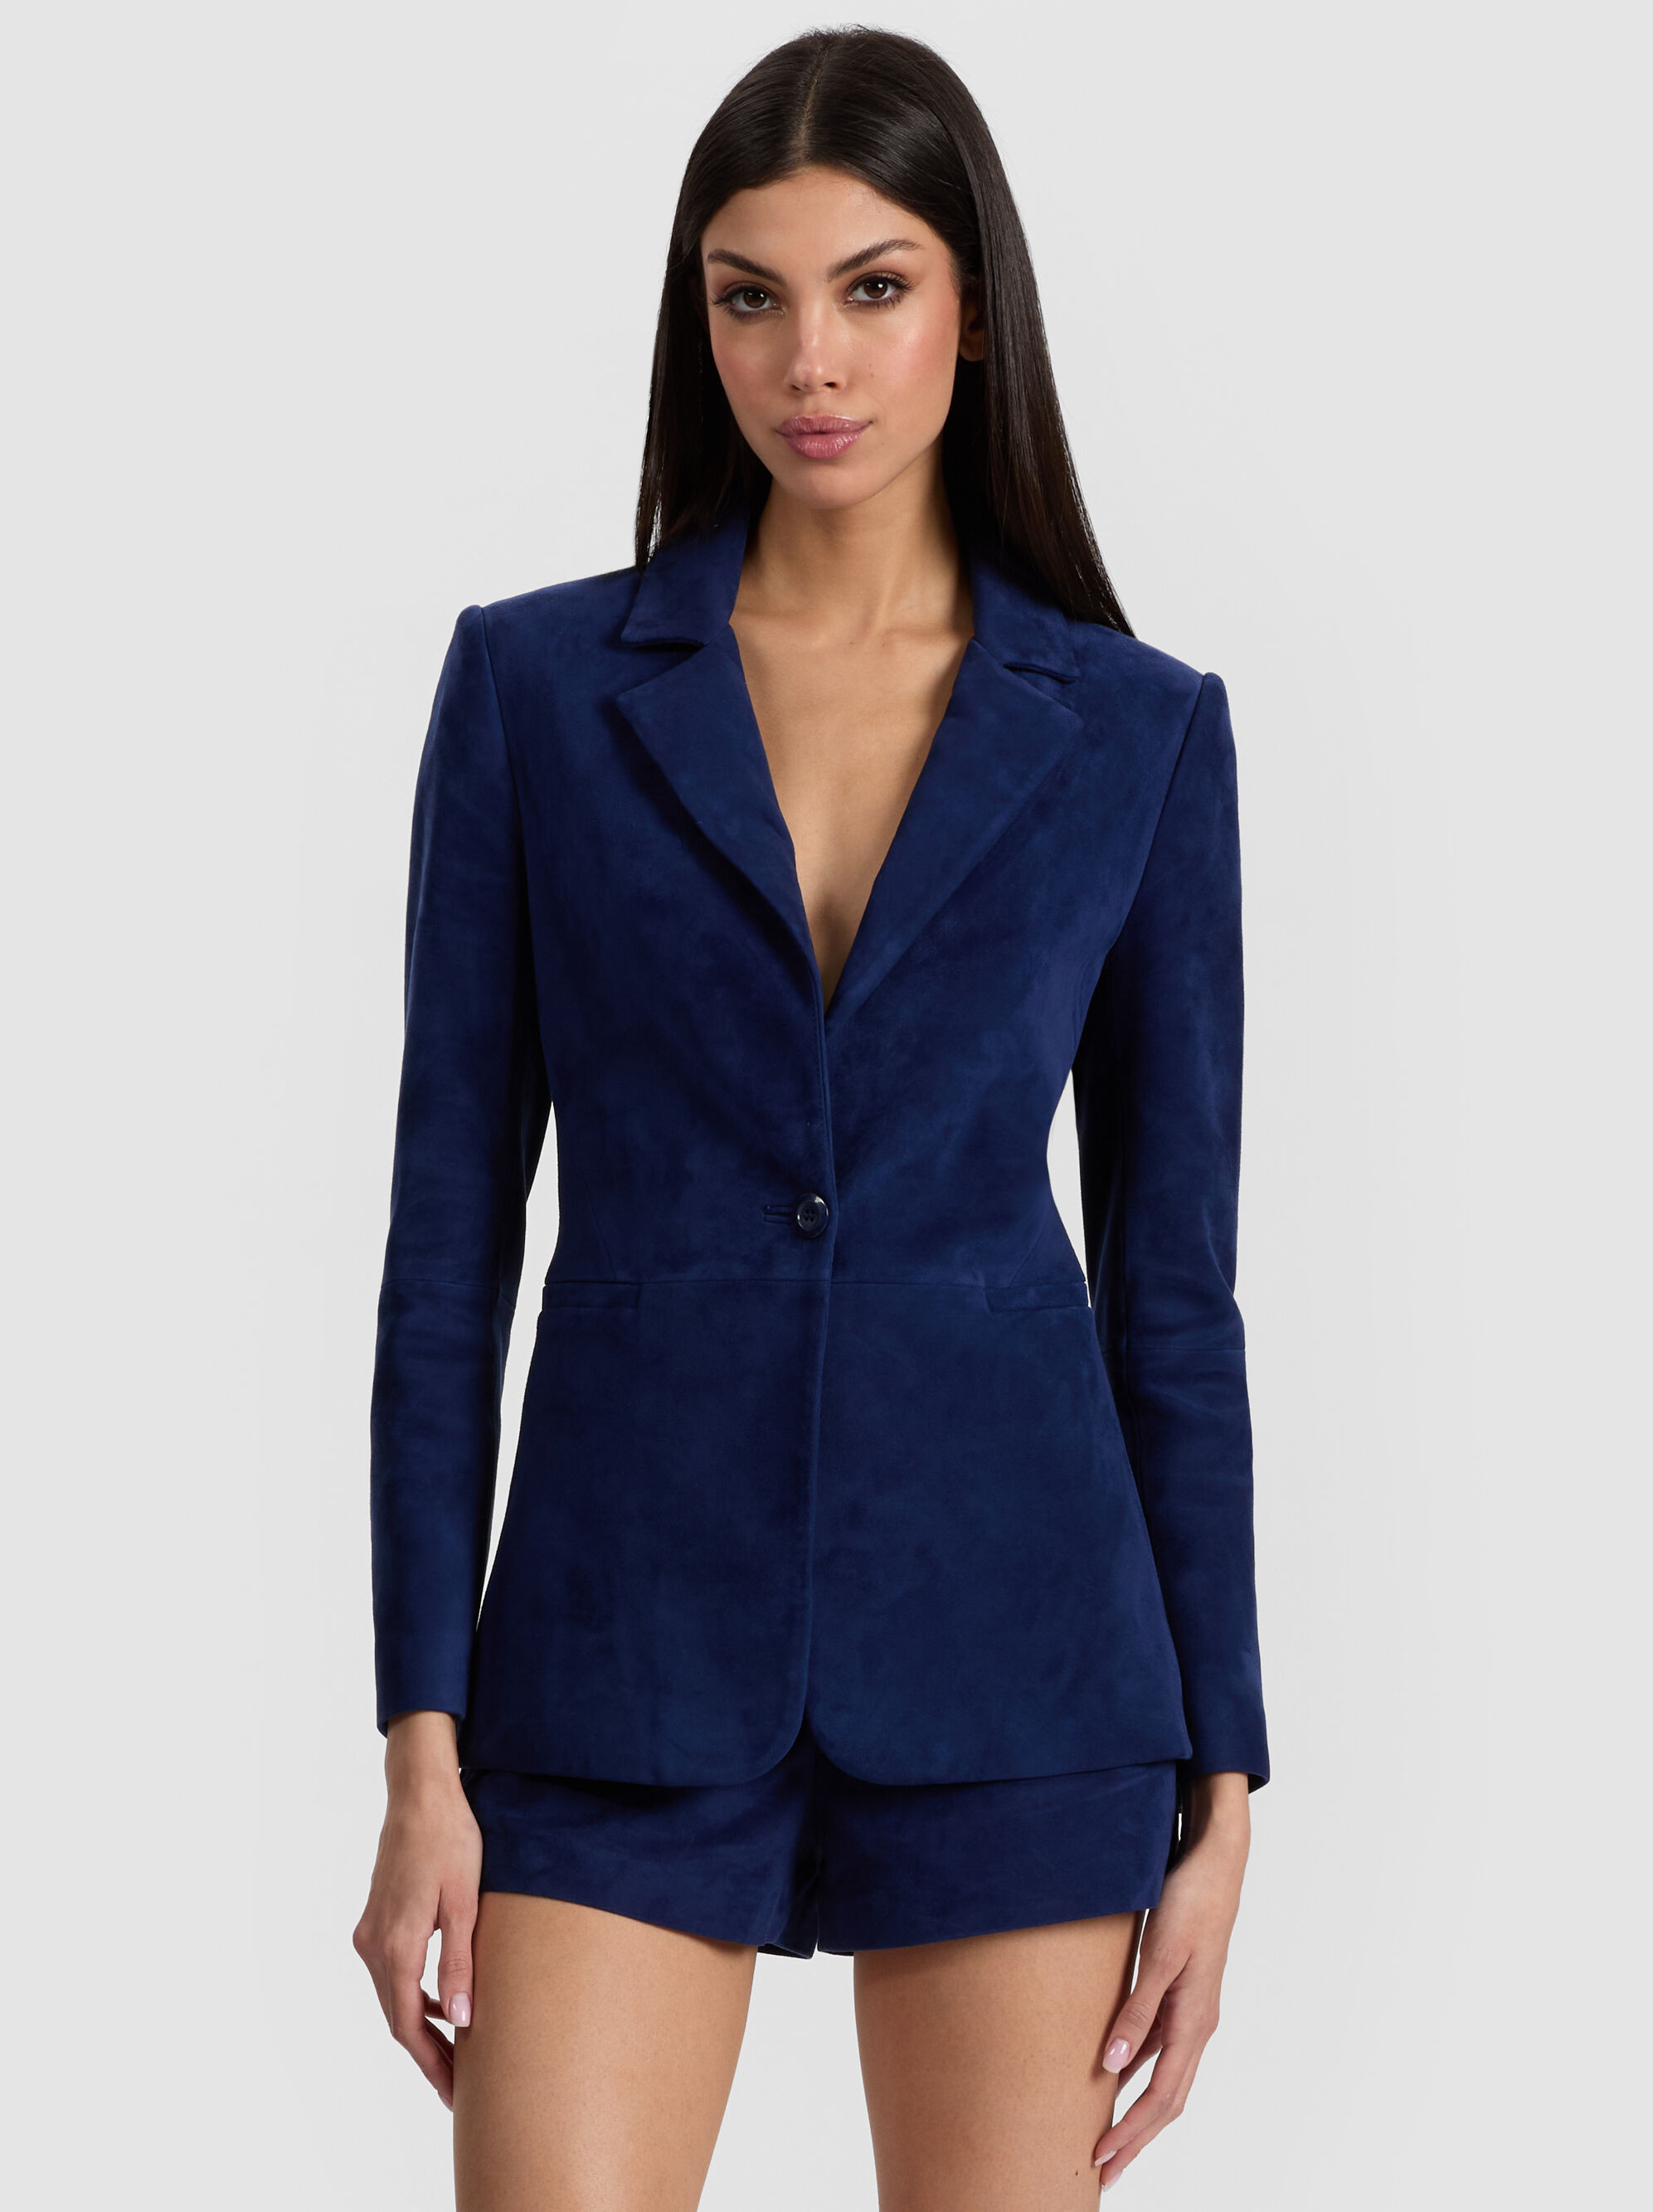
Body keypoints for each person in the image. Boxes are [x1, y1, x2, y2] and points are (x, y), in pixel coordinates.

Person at [352, 27, 1268, 2210]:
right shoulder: (536, 693)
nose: (810, 360)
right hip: (612, 1649)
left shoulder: (1136, 733)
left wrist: (1226, 1780)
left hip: (1021, 1659)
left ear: (976, 309)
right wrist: (419, 1749)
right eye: (749, 297)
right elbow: (445, 1256)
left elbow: (1172, 1291)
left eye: (873, 287)